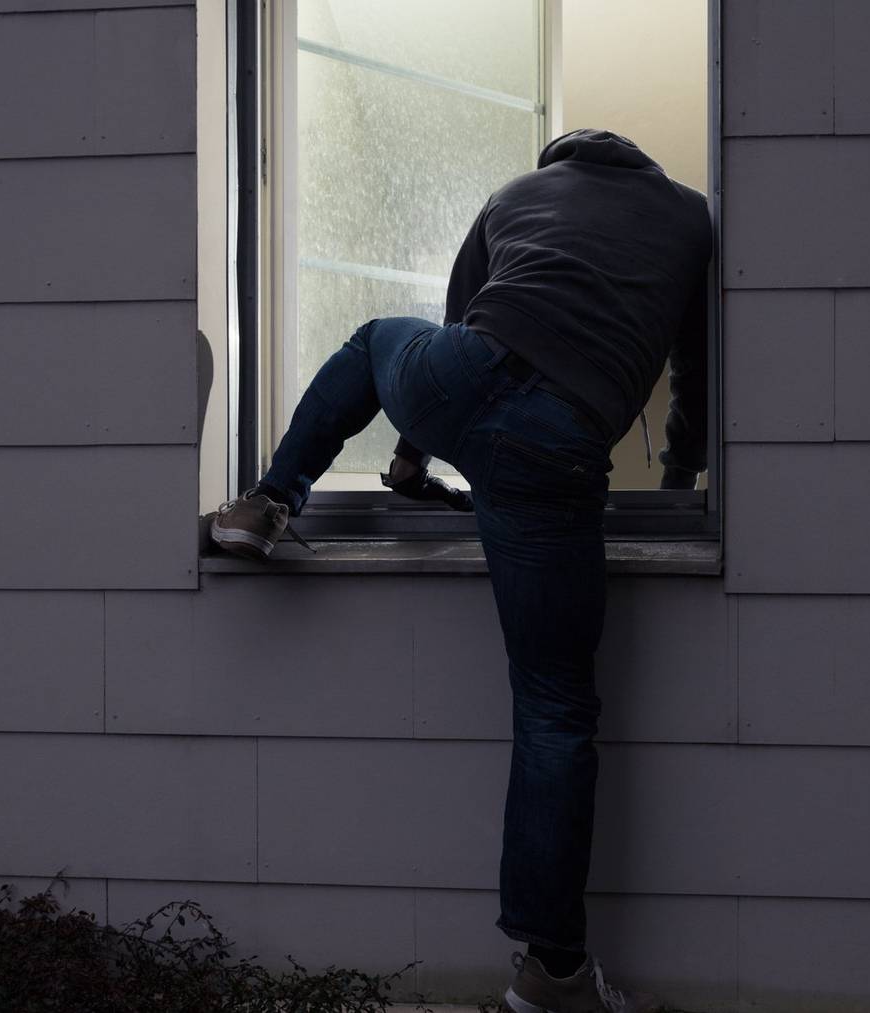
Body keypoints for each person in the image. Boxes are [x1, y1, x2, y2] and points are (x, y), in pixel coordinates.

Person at [210, 127, 710, 1013]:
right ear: (640, 168)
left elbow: (459, 321)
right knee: (556, 706)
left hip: (460, 380)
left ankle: (265, 501)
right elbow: (697, 379)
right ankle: (552, 973)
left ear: (564, 161)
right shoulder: (692, 221)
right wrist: (678, 487)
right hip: (559, 442)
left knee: (373, 339)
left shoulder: (515, 194)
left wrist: (409, 459)